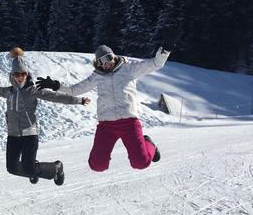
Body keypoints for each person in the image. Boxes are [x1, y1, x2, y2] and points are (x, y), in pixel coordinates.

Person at [37, 44, 170, 172]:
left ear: (113, 56)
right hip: (107, 125)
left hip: (129, 122)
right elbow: (74, 90)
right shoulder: (97, 76)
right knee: (97, 165)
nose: (106, 64)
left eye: (108, 58)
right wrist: (56, 85)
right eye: (101, 62)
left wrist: (165, 51)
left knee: (141, 162)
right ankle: (102, 157)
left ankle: (149, 144)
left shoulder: (129, 68)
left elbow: (155, 63)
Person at [0, 47, 90, 185]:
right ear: (12, 76)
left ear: (27, 75)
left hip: (29, 135)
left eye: (23, 74)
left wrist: (79, 100)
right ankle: (33, 170)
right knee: (11, 168)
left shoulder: (32, 91)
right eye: (17, 75)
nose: (21, 77)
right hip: (13, 136)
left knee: (29, 168)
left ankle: (56, 168)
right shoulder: (9, 91)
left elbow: (56, 97)